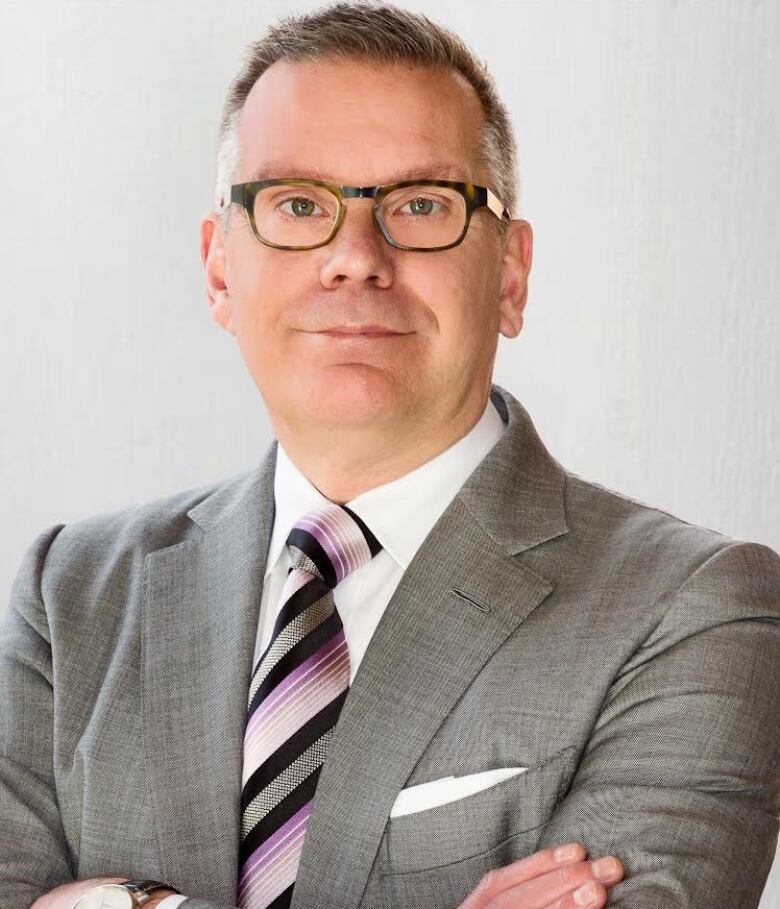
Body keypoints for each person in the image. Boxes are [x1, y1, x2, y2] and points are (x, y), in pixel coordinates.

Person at [2, 3, 779, 909]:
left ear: (512, 276)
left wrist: (108, 903)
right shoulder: (72, 593)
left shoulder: (697, 612)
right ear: (220, 270)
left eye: (420, 205)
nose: (354, 257)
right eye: (297, 204)